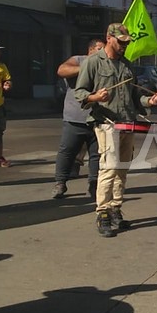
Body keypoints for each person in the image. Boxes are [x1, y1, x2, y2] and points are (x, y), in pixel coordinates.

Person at [74, 23, 157, 238]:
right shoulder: (93, 62)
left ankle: (115, 207)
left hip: (127, 122)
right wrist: (95, 97)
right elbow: (80, 92)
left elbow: (135, 99)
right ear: (109, 38)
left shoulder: (127, 66)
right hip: (105, 122)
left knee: (122, 168)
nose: (124, 45)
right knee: (109, 167)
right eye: (121, 41)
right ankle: (102, 212)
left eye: (127, 42)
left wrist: (150, 100)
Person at [51, 38, 104, 200]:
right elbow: (61, 70)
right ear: (90, 50)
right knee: (67, 152)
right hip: (75, 117)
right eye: (99, 49)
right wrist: (86, 67)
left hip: (97, 117)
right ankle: (60, 182)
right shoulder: (79, 60)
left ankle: (93, 185)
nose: (102, 52)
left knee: (96, 154)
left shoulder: (105, 64)